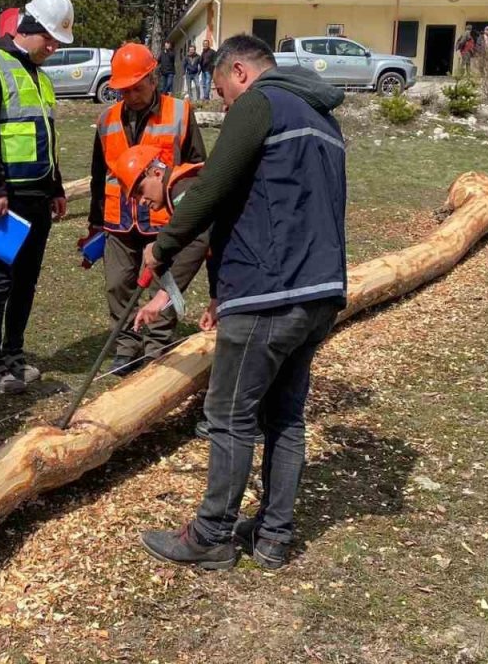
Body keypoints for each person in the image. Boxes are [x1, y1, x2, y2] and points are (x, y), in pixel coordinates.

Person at [138, 34, 347, 571]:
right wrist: (220, 294)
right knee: (285, 417)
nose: (222, 100)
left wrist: (160, 249)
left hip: (270, 291)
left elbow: (213, 191)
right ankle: (275, 536)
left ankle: (210, 535)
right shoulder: (324, 121)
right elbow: (268, 205)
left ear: (240, 70)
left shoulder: (260, 104)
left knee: (229, 414)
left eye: (221, 88)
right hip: (320, 291)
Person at [0, 0, 74, 393]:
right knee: (1, 279)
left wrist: (57, 186)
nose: (52, 47)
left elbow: (46, 136)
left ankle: (14, 351)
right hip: (5, 200)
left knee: (27, 278)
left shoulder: (40, 76)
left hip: (38, 197)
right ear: (27, 28)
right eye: (48, 38)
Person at [87, 42, 207, 375]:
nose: (131, 96)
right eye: (124, 90)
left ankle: (157, 347)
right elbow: (100, 174)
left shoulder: (180, 113)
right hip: (119, 220)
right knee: (117, 284)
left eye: (137, 88)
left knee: (161, 283)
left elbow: (198, 166)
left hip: (163, 219)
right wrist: (95, 222)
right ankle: (127, 346)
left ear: (153, 79)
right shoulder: (107, 119)